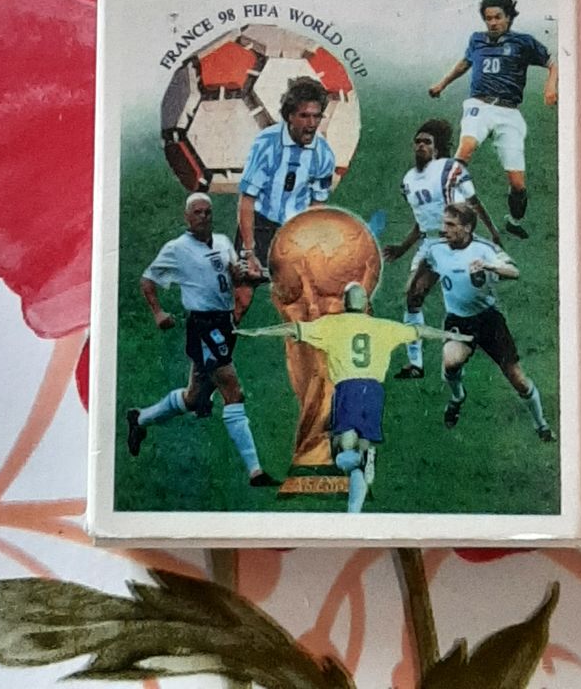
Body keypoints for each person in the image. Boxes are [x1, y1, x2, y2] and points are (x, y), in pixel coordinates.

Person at [237, 282, 469, 512]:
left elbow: (292, 329)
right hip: (374, 392)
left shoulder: (331, 325)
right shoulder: (384, 327)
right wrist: (452, 335)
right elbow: (421, 331)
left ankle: (360, 461)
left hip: (348, 391)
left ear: (344, 303)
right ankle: (354, 512)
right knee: (362, 450)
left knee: (341, 452)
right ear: (366, 303)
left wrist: (258, 331)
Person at [126, 192, 279, 487]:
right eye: (197, 212)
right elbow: (148, 280)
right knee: (233, 391)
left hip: (224, 323)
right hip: (203, 326)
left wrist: (254, 276)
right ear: (187, 217)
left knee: (194, 397)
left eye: (207, 212)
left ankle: (140, 419)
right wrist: (158, 313)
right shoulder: (177, 249)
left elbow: (233, 277)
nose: (203, 217)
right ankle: (255, 472)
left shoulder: (222, 242)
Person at [411, 202, 555, 440]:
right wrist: (416, 285)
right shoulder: (436, 249)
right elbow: (422, 269)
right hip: (458, 320)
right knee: (450, 362)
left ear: (467, 227)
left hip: (489, 321)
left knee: (517, 378)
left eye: (451, 225)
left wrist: (489, 266)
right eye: (444, 223)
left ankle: (541, 425)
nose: (444, 229)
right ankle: (458, 397)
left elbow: (514, 271)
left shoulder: (484, 248)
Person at [382, 118, 506, 380]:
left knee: (471, 301)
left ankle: (487, 339)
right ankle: (415, 364)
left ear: (437, 148)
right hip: (430, 244)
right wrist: (403, 248)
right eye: (417, 142)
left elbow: (473, 202)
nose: (421, 146)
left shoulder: (450, 169)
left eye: (427, 142)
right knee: (413, 296)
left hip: (456, 243)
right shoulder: (408, 181)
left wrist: (493, 231)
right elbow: (422, 221)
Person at [428, 0, 557, 239]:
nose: (493, 23)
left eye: (498, 17)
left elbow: (552, 63)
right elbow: (464, 63)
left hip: (509, 113)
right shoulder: (477, 40)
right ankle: (445, 212)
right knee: (466, 148)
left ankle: (514, 221)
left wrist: (550, 86)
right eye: (488, 18)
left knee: (518, 184)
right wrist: (441, 84)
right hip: (479, 105)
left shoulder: (523, 43)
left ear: (509, 18)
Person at [234, 75, 336, 319]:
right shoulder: (266, 144)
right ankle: (221, 344)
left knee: (308, 303)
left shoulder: (324, 154)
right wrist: (249, 252)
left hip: (294, 231)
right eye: (304, 116)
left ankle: (304, 345)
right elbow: (247, 201)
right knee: (241, 298)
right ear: (290, 115)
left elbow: (317, 206)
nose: (311, 124)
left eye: (317, 116)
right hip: (260, 224)